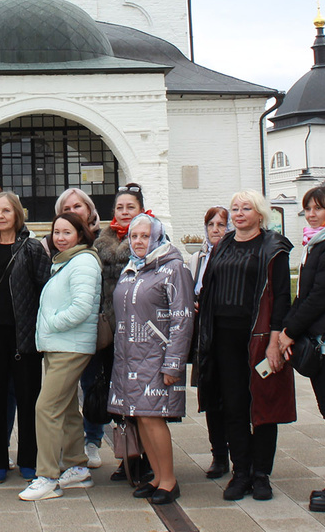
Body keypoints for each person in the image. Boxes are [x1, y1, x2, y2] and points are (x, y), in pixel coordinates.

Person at [196, 190, 294, 503]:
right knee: (234, 404)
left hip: (259, 338)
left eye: (246, 208)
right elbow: (208, 287)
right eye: (235, 209)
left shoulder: (273, 247)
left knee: (263, 405)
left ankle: (261, 474)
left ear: (260, 214)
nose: (239, 214)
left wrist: (275, 340)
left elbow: (281, 296)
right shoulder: (222, 245)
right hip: (223, 337)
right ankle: (241, 472)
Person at [277, 187, 325, 511]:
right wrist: (287, 330)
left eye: (318, 208)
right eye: (308, 208)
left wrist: (290, 331)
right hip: (318, 336)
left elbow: (322, 296)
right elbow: (303, 294)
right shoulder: (317, 241)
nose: (311, 213)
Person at [107, 213, 193, 506]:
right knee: (141, 417)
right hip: (130, 358)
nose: (139, 241)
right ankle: (156, 476)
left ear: (157, 237)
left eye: (145, 236)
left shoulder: (173, 268)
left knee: (153, 419)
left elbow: (182, 319)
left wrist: (173, 363)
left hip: (157, 357)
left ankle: (169, 480)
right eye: (134, 236)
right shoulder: (132, 268)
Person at [19, 212, 102, 501]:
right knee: (65, 408)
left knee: (46, 408)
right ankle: (77, 467)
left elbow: (82, 307)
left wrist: (52, 322)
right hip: (60, 345)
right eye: (57, 232)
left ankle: (47, 477)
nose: (61, 237)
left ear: (80, 234)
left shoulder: (83, 262)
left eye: (67, 232)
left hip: (71, 346)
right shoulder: (65, 261)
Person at [0, 191, 50, 484]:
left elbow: (45, 289)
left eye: (6, 211)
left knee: (28, 398)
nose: (1, 216)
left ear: (17, 214)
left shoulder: (32, 248)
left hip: (24, 335)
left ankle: (29, 460)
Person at [92, 183, 147, 483]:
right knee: (117, 396)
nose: (125, 212)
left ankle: (147, 458)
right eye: (120, 208)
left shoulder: (150, 239)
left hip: (140, 331)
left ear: (141, 210)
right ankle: (127, 457)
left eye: (131, 207)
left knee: (141, 397)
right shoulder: (103, 240)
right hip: (110, 330)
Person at [51, 187, 105, 469]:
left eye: (78, 206)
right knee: (67, 394)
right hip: (65, 334)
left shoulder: (102, 242)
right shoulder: (55, 244)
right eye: (67, 208)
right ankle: (71, 447)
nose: (73, 212)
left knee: (93, 385)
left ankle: (92, 440)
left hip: (95, 327)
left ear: (90, 210)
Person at [189, 205, 229, 480]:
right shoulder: (198, 258)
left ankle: (239, 451)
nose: (216, 230)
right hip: (204, 337)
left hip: (226, 333)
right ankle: (219, 454)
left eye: (221, 225)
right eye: (211, 225)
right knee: (210, 396)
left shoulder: (234, 254)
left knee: (232, 398)